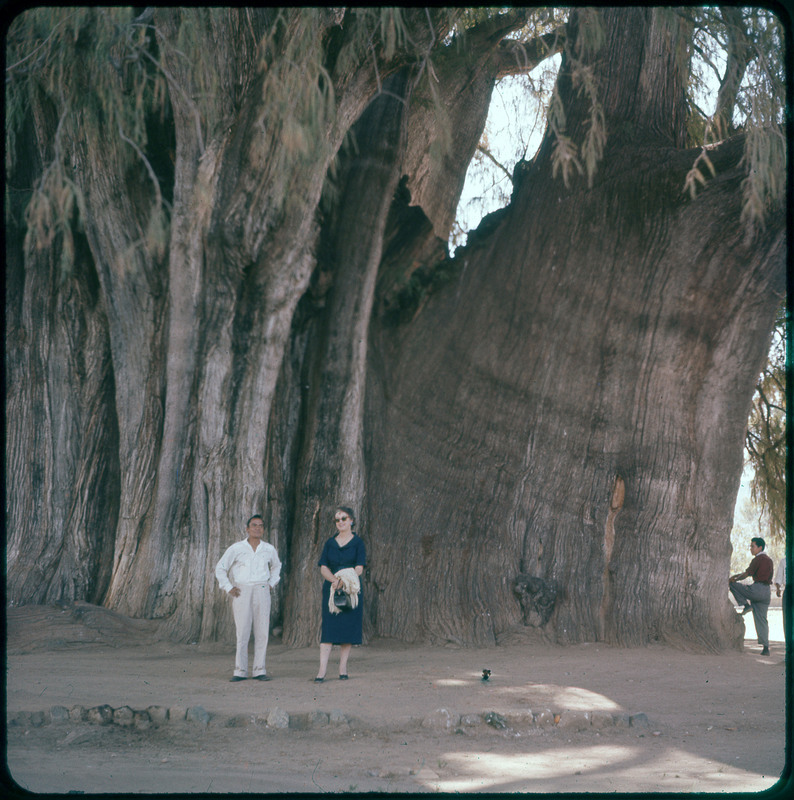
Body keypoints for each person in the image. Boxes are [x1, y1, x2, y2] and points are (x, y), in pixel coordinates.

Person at [215, 514, 282, 682]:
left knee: (262, 631)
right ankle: (240, 670)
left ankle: (259, 669)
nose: (257, 528)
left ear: (263, 529)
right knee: (242, 630)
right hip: (242, 590)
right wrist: (229, 587)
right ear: (247, 529)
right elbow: (221, 568)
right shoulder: (237, 548)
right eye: (254, 525)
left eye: (260, 525)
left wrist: (271, 583)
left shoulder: (268, 549)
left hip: (261, 588)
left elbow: (276, 566)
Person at [315, 506, 366, 682]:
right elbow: (323, 567)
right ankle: (322, 671)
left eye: (344, 518)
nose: (340, 522)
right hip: (332, 589)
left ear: (351, 520)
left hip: (351, 589)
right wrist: (334, 581)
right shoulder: (330, 543)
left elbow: (359, 567)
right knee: (328, 630)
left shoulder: (358, 543)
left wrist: (345, 580)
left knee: (347, 629)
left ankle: (342, 668)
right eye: (337, 520)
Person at [729, 537, 774, 656]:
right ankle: (766, 648)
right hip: (766, 593)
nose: (751, 549)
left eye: (752, 546)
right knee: (762, 620)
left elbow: (746, 574)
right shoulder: (769, 560)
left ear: (760, 547)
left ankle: (745, 605)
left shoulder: (758, 559)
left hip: (757, 589)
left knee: (733, 585)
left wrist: (734, 578)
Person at [774, 557, 787, 644]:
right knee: (787, 618)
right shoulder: (784, 561)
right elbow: (779, 577)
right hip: (789, 590)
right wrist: (778, 589)